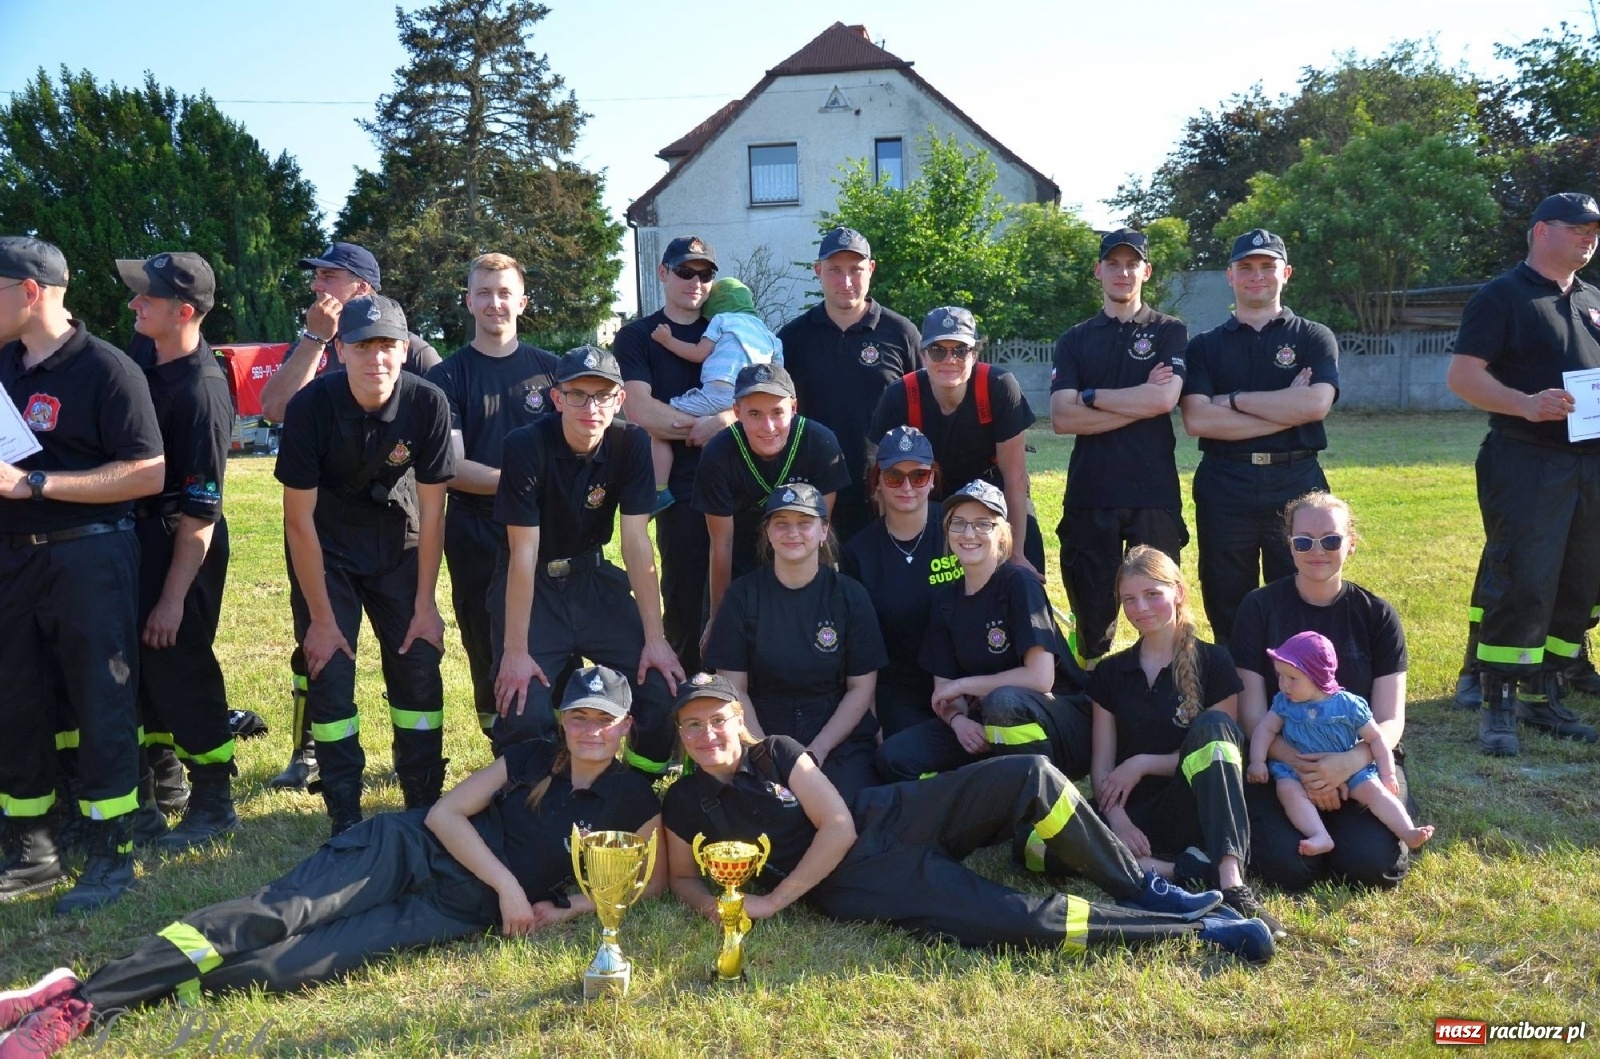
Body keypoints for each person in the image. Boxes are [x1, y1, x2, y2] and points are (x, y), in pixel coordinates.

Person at [0, 666, 665, 1057]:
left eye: (604, 718)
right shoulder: (527, 757)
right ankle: (79, 1001)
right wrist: (511, 889)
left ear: (626, 725)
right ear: (563, 718)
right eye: (579, 715)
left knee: (284, 966)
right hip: (407, 850)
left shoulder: (636, 798)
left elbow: (645, 878)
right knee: (270, 917)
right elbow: (443, 815)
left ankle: (110, 997)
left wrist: (563, 909)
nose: (591, 728)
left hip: (453, 910)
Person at [663, 674, 1274, 964]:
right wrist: (725, 907)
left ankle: (1147, 888)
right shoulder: (683, 802)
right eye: (692, 724)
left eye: (718, 719)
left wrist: (776, 900)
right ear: (679, 734)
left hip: (879, 817)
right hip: (854, 885)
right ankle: (1199, 933)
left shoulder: (777, 751)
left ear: (738, 721)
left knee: (1030, 773)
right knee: (1014, 919)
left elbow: (839, 825)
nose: (707, 733)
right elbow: (685, 879)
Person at [0, 236, 164, 915]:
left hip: (89, 554)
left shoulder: (108, 370)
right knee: (16, 699)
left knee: (102, 701)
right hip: (13, 561)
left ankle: (110, 849)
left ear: (31, 291)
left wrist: (34, 483)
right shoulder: (2, 366)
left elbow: (147, 471)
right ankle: (33, 847)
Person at [262, 241, 442, 794]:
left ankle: (421, 792)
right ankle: (325, 772)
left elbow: (437, 489)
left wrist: (427, 601)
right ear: (345, 350)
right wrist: (316, 338)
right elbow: (277, 408)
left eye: (330, 277)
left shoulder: (423, 375)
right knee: (324, 659)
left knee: (414, 664)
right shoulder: (321, 373)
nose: (318, 286)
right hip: (328, 542)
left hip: (397, 540)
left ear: (363, 286)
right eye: (316, 276)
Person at [1445, 191, 1600, 756]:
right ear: (1540, 232)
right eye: (1577, 227)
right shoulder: (1502, 296)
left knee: (1579, 578)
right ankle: (1497, 701)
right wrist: (1526, 403)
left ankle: (1548, 688)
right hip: (1527, 458)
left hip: (1591, 463)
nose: (1589, 237)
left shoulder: (1592, 299)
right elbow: (1463, 377)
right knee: (1524, 578)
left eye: (1594, 229)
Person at [491, 346, 683, 773]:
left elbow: (636, 541)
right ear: (557, 399)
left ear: (620, 400)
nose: (590, 407)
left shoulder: (632, 443)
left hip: (594, 581)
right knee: (523, 706)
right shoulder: (524, 446)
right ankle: (537, 796)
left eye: (603, 395)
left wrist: (656, 638)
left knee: (661, 686)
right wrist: (516, 651)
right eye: (578, 394)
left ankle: (637, 786)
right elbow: (523, 552)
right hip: (534, 586)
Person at [1088, 545, 1280, 936]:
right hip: (1138, 817)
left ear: (1178, 592)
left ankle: (1231, 884)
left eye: (1152, 594)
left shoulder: (1216, 662)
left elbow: (1222, 751)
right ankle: (1184, 869)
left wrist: (1142, 762)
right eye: (1129, 599)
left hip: (1199, 806)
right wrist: (1118, 820)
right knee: (1034, 843)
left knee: (1211, 726)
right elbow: (1102, 765)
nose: (1140, 607)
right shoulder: (1110, 672)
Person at [1230, 491, 1415, 890]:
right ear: (1289, 545)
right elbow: (1251, 715)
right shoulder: (1258, 607)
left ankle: (1348, 837)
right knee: (1287, 869)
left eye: (1331, 540)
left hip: (1362, 762)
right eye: (1304, 541)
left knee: (1372, 868)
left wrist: (1346, 764)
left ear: (1351, 543)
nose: (1318, 551)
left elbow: (1390, 717)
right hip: (1285, 764)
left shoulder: (1377, 615)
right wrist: (1308, 769)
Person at [116, 252, 239, 851]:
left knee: (180, 662)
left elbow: (200, 509)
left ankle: (215, 796)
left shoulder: (202, 391)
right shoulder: (144, 354)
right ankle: (165, 784)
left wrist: (172, 598)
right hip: (135, 537)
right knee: (143, 669)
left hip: (180, 544)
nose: (134, 304)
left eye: (147, 297)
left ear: (183, 312)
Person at [1179, 228, 1339, 644]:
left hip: (1297, 481)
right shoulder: (1204, 347)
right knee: (1226, 594)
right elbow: (1198, 420)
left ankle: (1301, 686)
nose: (1257, 276)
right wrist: (1287, 405)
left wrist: (1230, 401)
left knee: (1301, 586)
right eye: (1246, 267)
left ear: (1286, 273)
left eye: (1267, 267)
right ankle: (1237, 690)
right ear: (1230, 276)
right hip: (1225, 480)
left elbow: (1316, 405)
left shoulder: (1312, 337)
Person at [424, 253, 561, 739]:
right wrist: (526, 482)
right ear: (468, 302)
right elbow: (452, 467)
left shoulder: (554, 373)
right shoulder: (446, 379)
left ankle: (558, 737)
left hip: (549, 531)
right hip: (476, 532)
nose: (494, 303)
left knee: (554, 635)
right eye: (484, 293)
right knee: (484, 642)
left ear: (522, 302)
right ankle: (500, 742)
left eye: (504, 293)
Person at [876, 482, 1090, 784]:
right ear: (947, 532)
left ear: (1002, 534)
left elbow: (1041, 679)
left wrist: (967, 684)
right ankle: (975, 813)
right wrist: (959, 721)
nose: (968, 534)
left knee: (1002, 702)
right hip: (988, 721)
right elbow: (945, 691)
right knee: (894, 756)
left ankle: (1036, 807)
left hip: (1059, 722)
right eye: (959, 524)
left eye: (982, 524)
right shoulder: (945, 602)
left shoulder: (1019, 584)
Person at [1051, 228, 1190, 663]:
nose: (1123, 272)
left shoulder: (1170, 331)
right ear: (1099, 271)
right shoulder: (1075, 339)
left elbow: (1165, 399)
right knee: (1092, 607)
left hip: (1153, 491)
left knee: (1160, 602)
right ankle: (1093, 688)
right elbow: (1061, 417)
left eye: (1132, 264)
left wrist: (1091, 396)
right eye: (1113, 263)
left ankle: (1168, 682)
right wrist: (1140, 401)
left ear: (1146, 271)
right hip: (1093, 492)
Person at [701, 484, 885, 804]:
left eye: (804, 522)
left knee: (849, 810)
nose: (792, 532)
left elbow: (861, 688)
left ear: (823, 530)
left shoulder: (850, 596)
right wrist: (764, 753)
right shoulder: (742, 596)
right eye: (781, 523)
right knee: (762, 813)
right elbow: (735, 689)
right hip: (763, 726)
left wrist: (819, 749)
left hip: (834, 732)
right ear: (768, 533)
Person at [615, 235, 727, 674]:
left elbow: (765, 398)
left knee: (740, 604)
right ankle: (683, 712)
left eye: (704, 274)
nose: (695, 282)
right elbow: (640, 411)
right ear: (663, 274)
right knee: (683, 606)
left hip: (737, 483)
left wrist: (729, 420)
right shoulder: (638, 337)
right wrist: (705, 427)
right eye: (684, 271)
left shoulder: (729, 329)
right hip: (677, 491)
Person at [869, 305, 1044, 575]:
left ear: (974, 355)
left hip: (994, 491)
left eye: (960, 351)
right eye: (938, 350)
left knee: (1024, 570)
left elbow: (1015, 476)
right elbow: (884, 479)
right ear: (923, 355)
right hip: (930, 497)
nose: (949, 360)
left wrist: (1017, 553)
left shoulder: (998, 387)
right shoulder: (900, 395)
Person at [777, 227, 920, 542]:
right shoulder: (792, 338)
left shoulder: (901, 333)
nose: (846, 282)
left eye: (855, 270)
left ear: (870, 269)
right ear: (818, 271)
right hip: (812, 493)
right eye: (834, 271)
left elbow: (924, 412)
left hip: (884, 491)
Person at [690, 362, 849, 630]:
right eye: (755, 414)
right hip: (740, 562)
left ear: (794, 408)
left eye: (778, 412)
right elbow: (722, 544)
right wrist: (718, 618)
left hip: (801, 557)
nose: (769, 426)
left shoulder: (820, 443)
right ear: (737, 412)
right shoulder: (718, 453)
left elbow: (820, 534)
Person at [1248, 631, 1433, 856]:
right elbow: (1265, 729)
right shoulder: (1283, 703)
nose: (1284, 684)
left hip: (1350, 769)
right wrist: (1257, 761)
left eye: (1292, 678)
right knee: (1287, 790)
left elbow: (1375, 738)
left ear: (1317, 676)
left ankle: (1408, 831)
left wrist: (1388, 774)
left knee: (1376, 792)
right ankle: (1319, 834)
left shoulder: (1348, 705)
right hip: (1296, 770)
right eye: (1280, 676)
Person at [840, 427, 946, 738]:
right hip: (900, 688)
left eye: (919, 476)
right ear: (877, 483)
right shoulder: (858, 553)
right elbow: (860, 647)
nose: (907, 487)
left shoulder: (960, 526)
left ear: (933, 479)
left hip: (968, 677)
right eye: (894, 476)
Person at [650, 276, 782, 510]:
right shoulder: (770, 335)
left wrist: (667, 340)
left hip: (717, 393)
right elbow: (777, 378)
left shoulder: (722, 320)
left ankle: (659, 491)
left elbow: (699, 353)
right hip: (745, 402)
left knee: (660, 427)